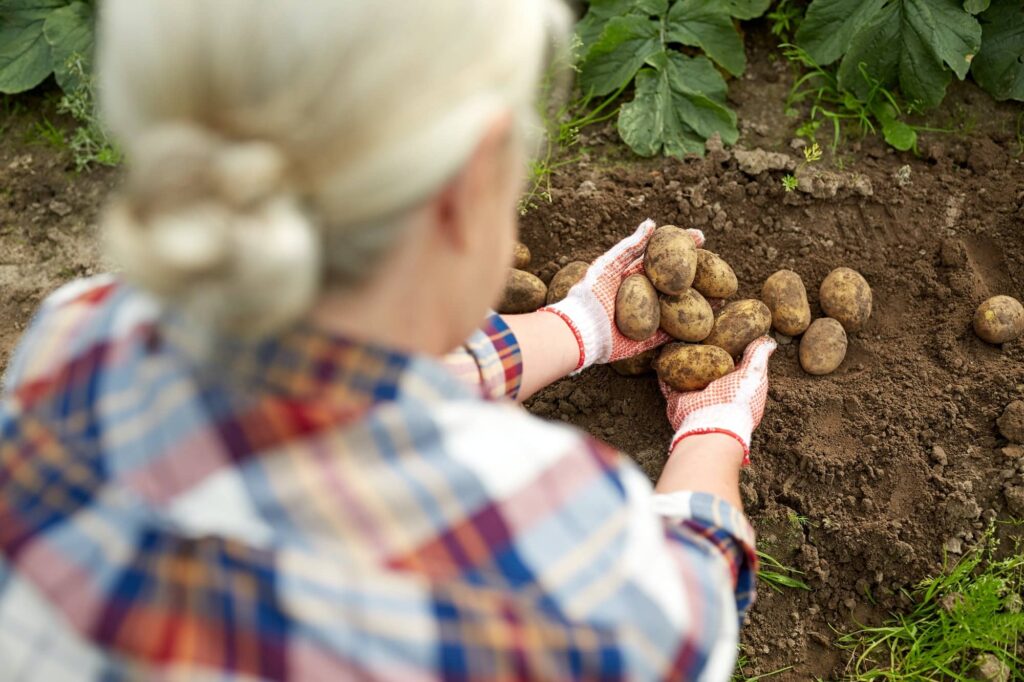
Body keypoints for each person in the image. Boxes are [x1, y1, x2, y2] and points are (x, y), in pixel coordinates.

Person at [0, 1, 776, 680]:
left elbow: (326, 377)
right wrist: (713, 431)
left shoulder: (77, 333)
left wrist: (576, 329)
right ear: (470, 187)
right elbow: (686, 613)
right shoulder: (532, 537)